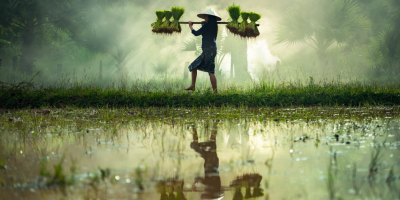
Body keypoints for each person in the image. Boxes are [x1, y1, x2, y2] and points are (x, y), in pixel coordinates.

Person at [184, 8, 221, 94]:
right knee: (198, 67)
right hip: (211, 49)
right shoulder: (213, 26)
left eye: (205, 16)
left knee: (208, 70)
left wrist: (190, 26)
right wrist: (203, 25)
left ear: (209, 17)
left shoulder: (207, 26)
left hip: (208, 50)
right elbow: (207, 33)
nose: (204, 17)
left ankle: (214, 92)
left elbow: (196, 33)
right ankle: (194, 86)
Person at [191, 122, 224, 200]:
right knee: (205, 144)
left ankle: (214, 123)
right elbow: (199, 179)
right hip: (211, 161)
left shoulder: (214, 185)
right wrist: (194, 184)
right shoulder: (211, 185)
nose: (205, 191)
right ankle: (193, 125)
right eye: (207, 193)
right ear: (211, 192)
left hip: (212, 161)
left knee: (211, 142)